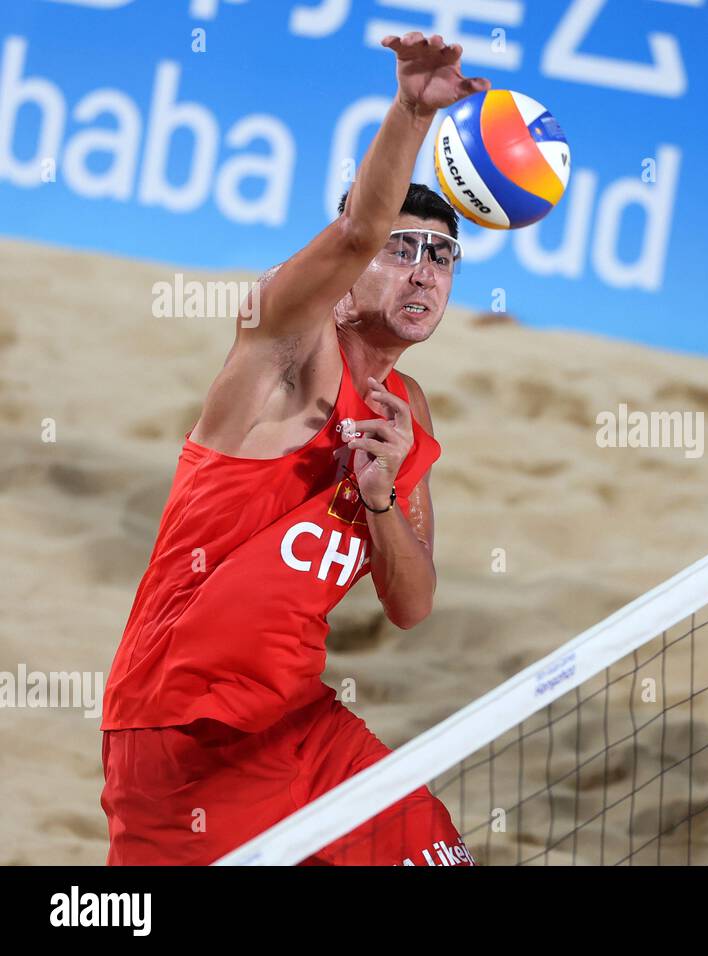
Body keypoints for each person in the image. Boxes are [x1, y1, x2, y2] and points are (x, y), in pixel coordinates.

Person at [99, 32, 488, 866]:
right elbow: (354, 231)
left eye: (443, 256)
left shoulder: (406, 410)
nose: (424, 272)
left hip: (301, 724)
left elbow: (412, 604)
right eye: (402, 249)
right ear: (347, 279)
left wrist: (382, 499)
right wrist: (412, 112)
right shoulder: (282, 350)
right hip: (185, 731)